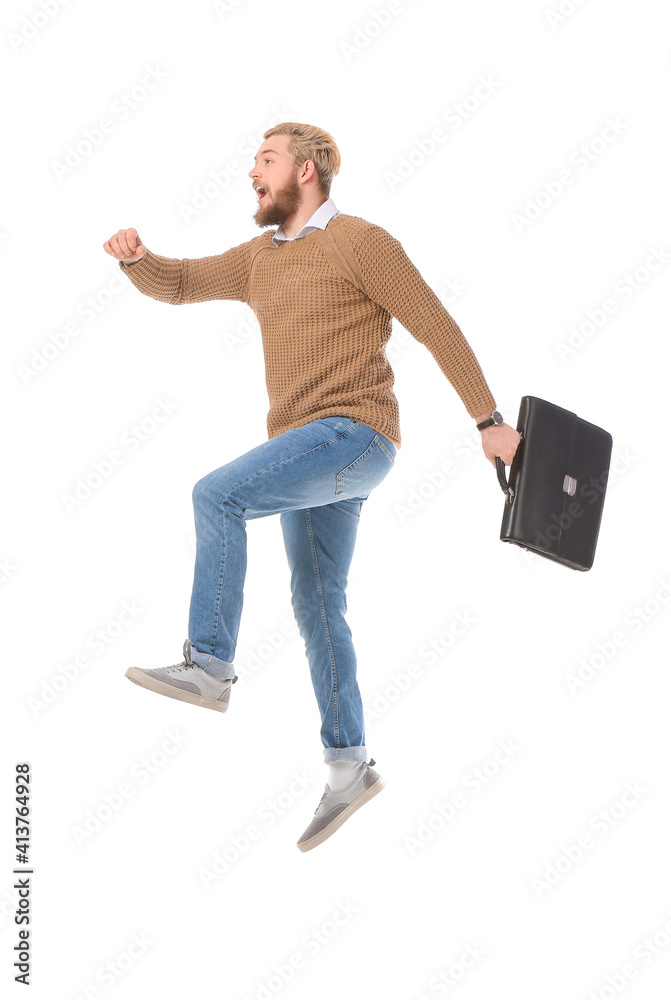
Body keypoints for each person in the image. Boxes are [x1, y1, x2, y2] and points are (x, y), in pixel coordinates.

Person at [103, 121, 520, 852]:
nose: (251, 173)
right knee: (317, 604)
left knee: (215, 495)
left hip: (353, 434)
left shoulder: (361, 242)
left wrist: (487, 417)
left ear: (306, 170)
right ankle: (348, 765)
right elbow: (182, 282)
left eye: (264, 160)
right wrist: (137, 261)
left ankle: (208, 666)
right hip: (306, 451)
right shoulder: (259, 258)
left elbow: (432, 324)